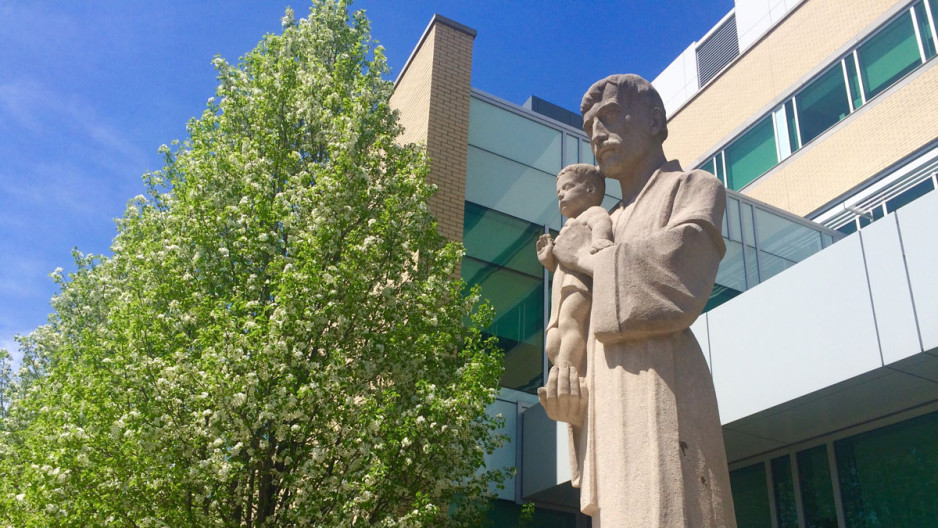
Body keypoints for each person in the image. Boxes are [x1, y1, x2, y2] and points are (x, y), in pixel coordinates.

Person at [540, 74, 737, 528]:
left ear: (654, 120)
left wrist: (588, 259)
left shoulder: (693, 188)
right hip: (608, 399)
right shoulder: (602, 220)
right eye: (590, 129)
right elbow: (581, 320)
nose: (597, 136)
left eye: (608, 118)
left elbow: (678, 277)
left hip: (663, 381)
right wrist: (575, 397)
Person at [536, 164, 612, 425]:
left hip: (579, 284)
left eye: (567, 188)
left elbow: (602, 223)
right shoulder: (568, 225)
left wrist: (601, 240)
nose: (561, 195)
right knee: (552, 340)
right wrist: (549, 260)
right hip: (562, 286)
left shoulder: (592, 213)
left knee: (571, 322)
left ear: (590, 190)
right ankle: (564, 372)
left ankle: (569, 370)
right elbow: (562, 261)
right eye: (559, 191)